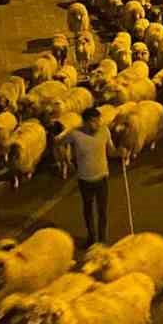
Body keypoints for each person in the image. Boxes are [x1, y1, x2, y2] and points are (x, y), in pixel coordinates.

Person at [56, 105, 111, 246]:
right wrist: (67, 161)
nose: (98, 124)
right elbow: (60, 144)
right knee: (88, 209)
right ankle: (91, 237)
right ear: (86, 122)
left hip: (102, 177)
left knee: (102, 210)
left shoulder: (104, 131)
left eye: (99, 120)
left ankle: (102, 238)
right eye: (94, 121)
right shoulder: (75, 134)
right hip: (85, 179)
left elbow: (111, 150)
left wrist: (120, 152)